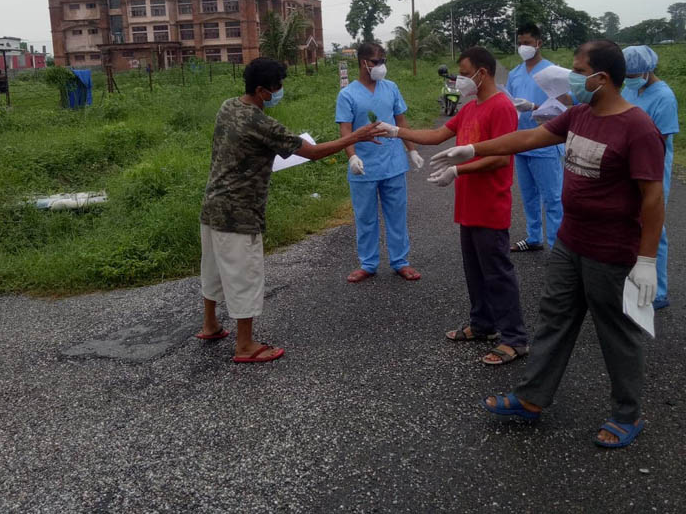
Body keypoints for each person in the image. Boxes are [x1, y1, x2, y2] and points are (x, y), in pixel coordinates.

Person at [430, 40, 665, 448]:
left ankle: (627, 413)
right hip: (570, 244)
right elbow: (526, 139)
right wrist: (470, 150)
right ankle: (532, 397)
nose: (571, 78)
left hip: (611, 251)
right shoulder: (578, 115)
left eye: (579, 71)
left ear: (602, 78)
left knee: (616, 332)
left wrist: (646, 260)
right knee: (554, 320)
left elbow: (653, 198)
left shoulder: (637, 127)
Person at [199, 57, 383, 363]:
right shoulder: (262, 123)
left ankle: (210, 325)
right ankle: (245, 346)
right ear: (262, 91)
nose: (279, 92)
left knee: (213, 269)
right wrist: (355, 137)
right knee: (244, 277)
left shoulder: (228, 106)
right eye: (277, 87)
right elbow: (312, 153)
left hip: (212, 205)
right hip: (239, 213)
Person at [377, 47, 528, 365]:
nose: (460, 79)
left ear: (482, 73)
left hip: (490, 204)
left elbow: (501, 157)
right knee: (474, 270)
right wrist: (396, 131)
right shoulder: (470, 107)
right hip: (468, 204)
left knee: (497, 272)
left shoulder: (502, 107)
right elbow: (436, 135)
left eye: (465, 73)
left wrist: (458, 170)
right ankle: (483, 325)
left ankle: (514, 338)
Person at [337, 43, 423, 283]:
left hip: (393, 163)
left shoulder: (391, 88)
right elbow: (345, 130)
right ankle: (368, 263)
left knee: (397, 215)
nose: (381, 66)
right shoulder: (347, 94)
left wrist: (412, 150)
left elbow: (401, 122)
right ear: (363, 62)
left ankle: (400, 261)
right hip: (364, 167)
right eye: (376, 62)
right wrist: (352, 156)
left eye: (383, 61)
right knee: (365, 217)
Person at [621, 45, 679, 310]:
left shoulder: (664, 97)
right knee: (629, 223)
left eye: (633, 74)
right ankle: (633, 281)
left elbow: (660, 140)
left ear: (647, 70)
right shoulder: (630, 89)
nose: (629, 79)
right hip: (626, 164)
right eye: (626, 75)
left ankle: (659, 292)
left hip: (651, 168)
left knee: (653, 226)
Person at [505, 24, 565, 253]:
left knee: (552, 198)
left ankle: (557, 247)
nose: (523, 47)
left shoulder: (553, 72)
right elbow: (508, 101)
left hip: (546, 142)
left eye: (527, 43)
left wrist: (534, 107)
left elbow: (563, 110)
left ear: (539, 43)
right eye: (520, 43)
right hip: (522, 141)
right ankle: (534, 237)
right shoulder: (515, 73)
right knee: (529, 195)